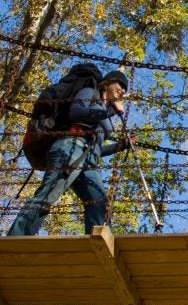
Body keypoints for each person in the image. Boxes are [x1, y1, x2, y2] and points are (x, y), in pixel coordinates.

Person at [9, 69, 131, 236]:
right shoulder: (90, 92)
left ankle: (98, 244)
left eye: (125, 89)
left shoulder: (104, 110)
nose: (123, 90)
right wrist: (110, 111)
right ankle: (17, 237)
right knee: (49, 194)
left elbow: (95, 148)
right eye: (120, 85)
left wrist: (120, 146)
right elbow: (76, 111)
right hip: (69, 148)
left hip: (88, 158)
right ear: (107, 83)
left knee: (99, 202)